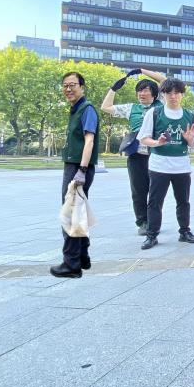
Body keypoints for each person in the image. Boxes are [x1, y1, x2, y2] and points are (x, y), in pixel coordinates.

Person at [100, 68, 167, 235]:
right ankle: (142, 222)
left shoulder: (162, 106)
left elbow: (163, 80)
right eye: (139, 91)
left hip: (156, 154)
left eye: (145, 90)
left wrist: (141, 71)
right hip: (136, 155)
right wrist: (113, 89)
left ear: (154, 93)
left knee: (156, 190)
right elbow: (106, 107)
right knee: (138, 190)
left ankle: (154, 221)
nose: (141, 94)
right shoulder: (132, 108)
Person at [137, 78, 194, 250]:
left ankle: (185, 231)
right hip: (159, 166)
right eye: (169, 93)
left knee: (183, 201)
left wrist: (190, 140)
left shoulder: (190, 116)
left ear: (182, 95)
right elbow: (143, 138)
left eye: (177, 93)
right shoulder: (155, 113)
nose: (173, 96)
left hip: (182, 166)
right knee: (155, 202)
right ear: (163, 95)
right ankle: (152, 235)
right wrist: (157, 143)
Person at [50, 71, 100, 278]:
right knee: (76, 211)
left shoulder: (87, 109)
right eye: (65, 85)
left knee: (70, 214)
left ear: (82, 87)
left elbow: (89, 141)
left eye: (73, 85)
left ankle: (71, 265)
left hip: (78, 168)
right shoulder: (76, 109)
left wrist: (82, 170)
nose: (68, 89)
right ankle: (82, 256)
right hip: (75, 166)